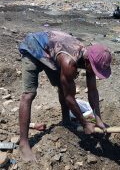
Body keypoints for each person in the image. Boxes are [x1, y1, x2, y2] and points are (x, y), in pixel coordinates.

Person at [18, 30, 112, 161]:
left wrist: (98, 119)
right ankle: (23, 143)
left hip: (52, 52)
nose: (95, 73)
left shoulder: (90, 60)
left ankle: (66, 120)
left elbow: (92, 91)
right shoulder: (70, 63)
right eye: (96, 70)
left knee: (63, 86)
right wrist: (84, 123)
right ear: (87, 61)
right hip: (34, 46)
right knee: (29, 94)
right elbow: (69, 97)